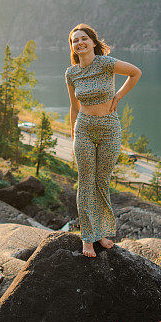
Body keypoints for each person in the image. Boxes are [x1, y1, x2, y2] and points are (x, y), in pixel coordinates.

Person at [65, 24, 142, 257]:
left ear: (93, 42)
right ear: (73, 47)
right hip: (84, 130)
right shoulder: (71, 73)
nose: (79, 43)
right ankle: (87, 238)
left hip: (109, 129)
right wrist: (73, 132)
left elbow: (135, 72)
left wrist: (118, 96)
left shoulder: (106, 63)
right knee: (86, 181)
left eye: (83, 38)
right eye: (74, 40)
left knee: (101, 181)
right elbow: (73, 106)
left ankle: (101, 233)